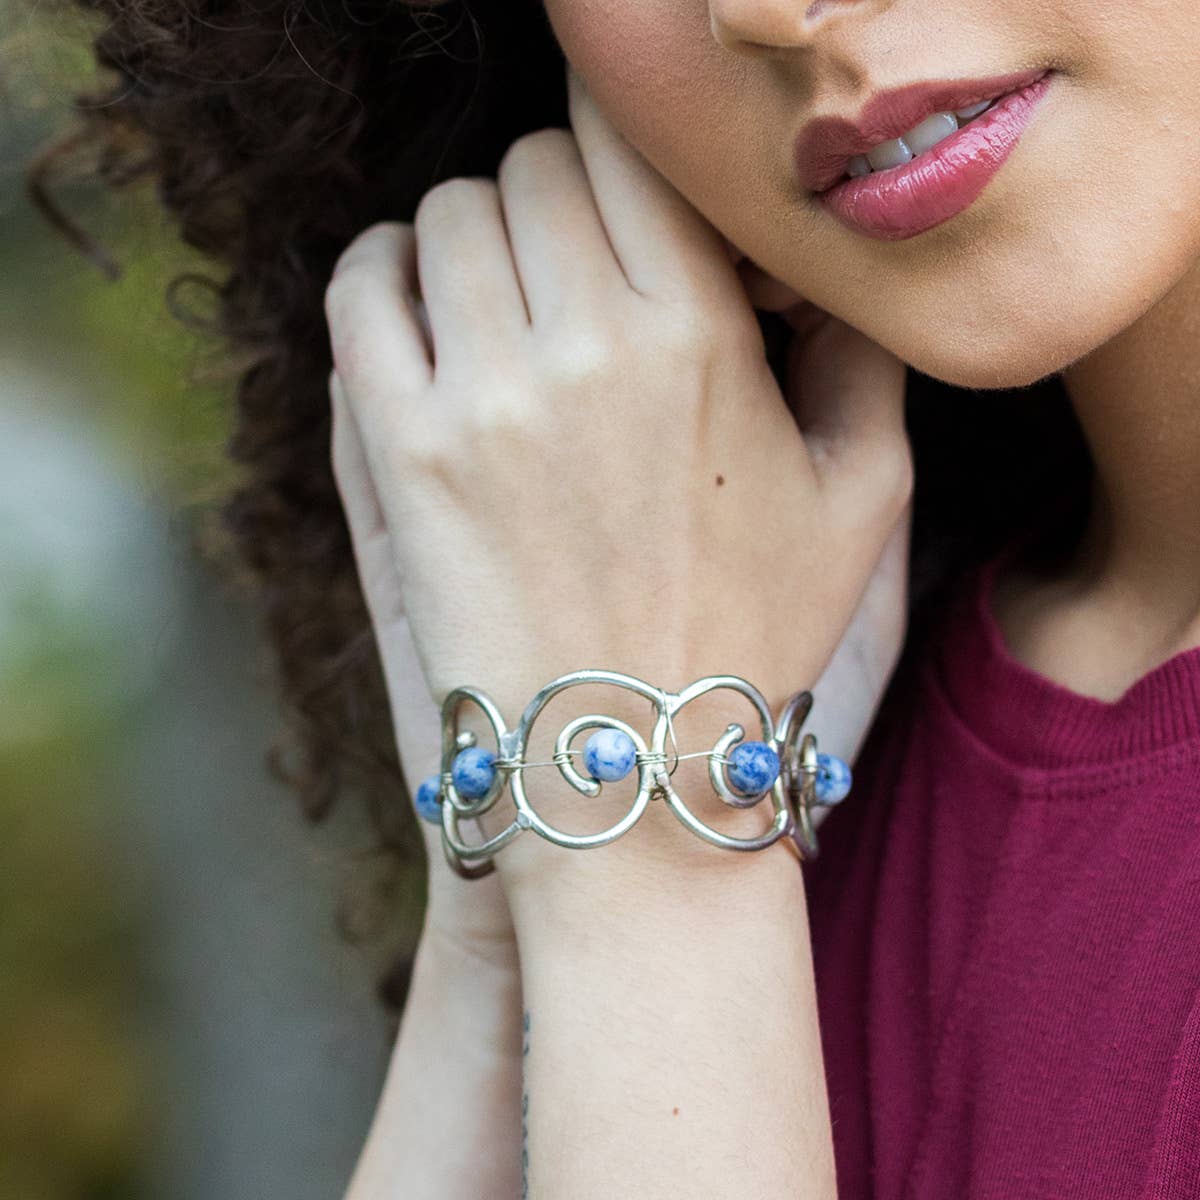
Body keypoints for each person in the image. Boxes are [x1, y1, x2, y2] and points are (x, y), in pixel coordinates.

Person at [35, 0, 1200, 1196]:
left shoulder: (727, 801)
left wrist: (655, 867)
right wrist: (504, 932)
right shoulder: (817, 720)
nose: (767, 12)